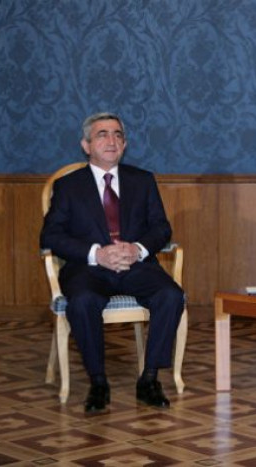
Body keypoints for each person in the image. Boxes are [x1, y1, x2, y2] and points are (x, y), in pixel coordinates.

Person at [41, 112, 184, 413]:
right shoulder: (68, 186)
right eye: (102, 134)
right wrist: (97, 254)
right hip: (88, 269)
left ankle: (149, 379)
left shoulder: (142, 181)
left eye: (118, 134)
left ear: (125, 144)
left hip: (136, 266)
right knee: (83, 301)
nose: (111, 140)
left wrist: (137, 249)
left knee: (171, 295)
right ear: (86, 145)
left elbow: (161, 228)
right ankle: (98, 382)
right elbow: (51, 235)